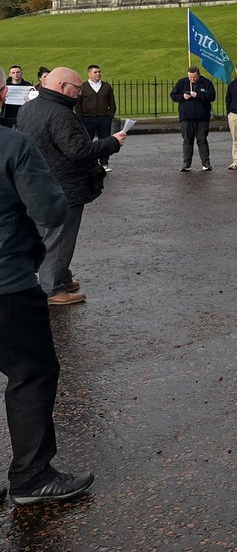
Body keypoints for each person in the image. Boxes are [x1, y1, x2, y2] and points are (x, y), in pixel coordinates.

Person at [0, 124, 96, 505]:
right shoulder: (13, 145)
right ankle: (32, 474)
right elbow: (51, 210)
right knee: (31, 374)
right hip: (7, 283)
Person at [16, 67, 126, 306]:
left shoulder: (29, 107)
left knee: (49, 233)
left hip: (38, 181)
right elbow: (79, 151)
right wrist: (113, 142)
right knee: (61, 236)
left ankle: (61, 277)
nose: (79, 93)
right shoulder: (61, 114)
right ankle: (52, 288)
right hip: (64, 184)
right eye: (76, 89)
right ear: (62, 87)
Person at [170, 66, 215, 172]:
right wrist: (182, 97)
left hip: (202, 118)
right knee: (187, 141)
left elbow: (212, 96)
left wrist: (198, 95)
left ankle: (206, 164)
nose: (192, 79)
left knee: (202, 140)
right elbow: (173, 95)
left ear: (198, 75)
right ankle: (186, 164)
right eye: (190, 77)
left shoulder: (206, 82)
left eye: (194, 77)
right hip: (186, 118)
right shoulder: (182, 82)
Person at [75, 65, 117, 171]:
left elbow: (112, 103)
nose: (98, 74)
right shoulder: (83, 86)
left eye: (99, 72)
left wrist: (109, 116)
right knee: (88, 141)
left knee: (104, 141)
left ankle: (104, 163)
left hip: (104, 119)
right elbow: (78, 104)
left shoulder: (106, 86)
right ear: (89, 74)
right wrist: (81, 117)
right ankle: (90, 163)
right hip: (88, 119)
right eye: (95, 72)